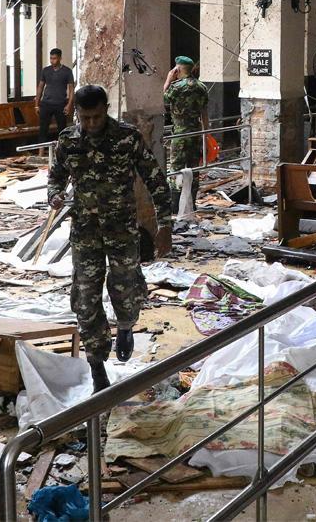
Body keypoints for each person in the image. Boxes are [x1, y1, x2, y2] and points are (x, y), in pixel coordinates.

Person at [47, 85, 171, 390]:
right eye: (85, 118)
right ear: (76, 112)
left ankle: (126, 326)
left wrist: (165, 225)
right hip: (85, 232)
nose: (91, 124)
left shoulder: (127, 138)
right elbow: (56, 176)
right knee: (85, 299)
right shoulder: (68, 141)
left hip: (122, 230)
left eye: (97, 117)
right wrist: (54, 195)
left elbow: (155, 178)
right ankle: (97, 365)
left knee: (126, 289)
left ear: (106, 110)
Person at [162, 56, 209, 195]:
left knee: (176, 169)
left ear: (178, 69)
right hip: (195, 133)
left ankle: (176, 203)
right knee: (193, 169)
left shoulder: (176, 87)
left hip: (180, 134)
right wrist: (206, 135)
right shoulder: (202, 87)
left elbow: (162, 99)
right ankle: (192, 202)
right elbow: (204, 114)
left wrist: (168, 79)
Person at [38, 48, 75, 142]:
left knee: (62, 130)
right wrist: (36, 104)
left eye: (54, 58)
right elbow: (40, 87)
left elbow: (71, 89)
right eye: (51, 58)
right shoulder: (45, 70)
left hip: (60, 104)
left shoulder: (67, 71)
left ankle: (62, 151)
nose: (52, 61)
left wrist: (69, 105)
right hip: (46, 103)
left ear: (60, 58)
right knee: (43, 129)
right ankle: (41, 153)